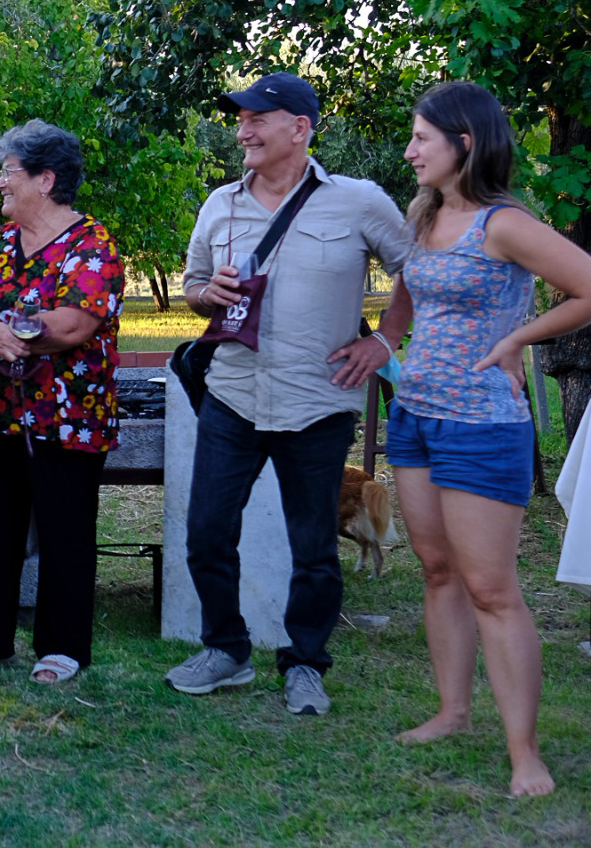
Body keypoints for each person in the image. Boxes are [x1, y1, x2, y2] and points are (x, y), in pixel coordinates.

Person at [381, 82, 591, 797]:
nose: (409, 150)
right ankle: (452, 713)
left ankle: (525, 755)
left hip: (482, 424)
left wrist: (518, 338)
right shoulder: (424, 214)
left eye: (421, 138)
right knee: (437, 570)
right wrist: (383, 342)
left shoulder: (505, 223)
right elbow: (409, 300)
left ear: (465, 143)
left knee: (491, 589)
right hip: (415, 416)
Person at [166, 73, 412, 717]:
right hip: (232, 395)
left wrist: (383, 341)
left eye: (256, 118)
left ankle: (305, 663)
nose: (242, 130)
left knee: (314, 548)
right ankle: (226, 650)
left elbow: (415, 270)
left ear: (300, 128)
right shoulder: (220, 204)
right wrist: (206, 294)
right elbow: (192, 285)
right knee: (206, 533)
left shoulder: (359, 201)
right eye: (240, 119)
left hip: (318, 400)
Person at [0, 119, 124, 685]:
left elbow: (72, 325)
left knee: (66, 531)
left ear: (45, 179)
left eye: (8, 172)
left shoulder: (92, 243)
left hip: (68, 417)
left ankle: (62, 647)